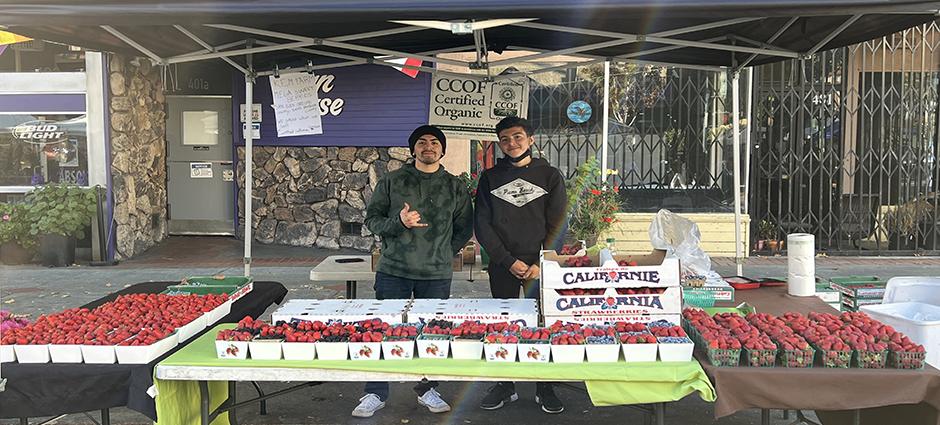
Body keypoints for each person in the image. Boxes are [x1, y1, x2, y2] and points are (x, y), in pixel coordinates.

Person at [356, 124, 474, 418]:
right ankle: (375, 391)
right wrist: (399, 222)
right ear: (413, 150)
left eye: (435, 142)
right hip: (394, 269)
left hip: (435, 274)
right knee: (383, 330)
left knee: (432, 333)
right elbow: (372, 219)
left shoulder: (455, 186)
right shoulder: (392, 182)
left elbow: (464, 228)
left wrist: (444, 252)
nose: (428, 146)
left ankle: (426, 388)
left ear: (443, 150)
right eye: (421, 142)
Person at [474, 116, 568, 414]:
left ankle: (544, 384)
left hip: (539, 267)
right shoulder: (489, 177)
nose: (511, 143)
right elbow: (482, 224)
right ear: (499, 144)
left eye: (517, 137)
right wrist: (506, 260)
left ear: (531, 139)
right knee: (504, 324)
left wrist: (544, 262)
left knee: (543, 323)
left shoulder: (549, 175)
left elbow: (558, 223)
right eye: (504, 139)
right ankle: (505, 383)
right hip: (503, 264)